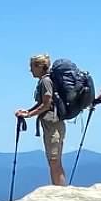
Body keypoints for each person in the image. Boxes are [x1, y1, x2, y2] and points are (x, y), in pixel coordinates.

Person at [16, 53, 68, 187]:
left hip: (53, 124)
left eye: (32, 66)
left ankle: (60, 192)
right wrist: (27, 111)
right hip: (54, 124)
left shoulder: (45, 81)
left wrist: (29, 115)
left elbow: (46, 103)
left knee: (54, 160)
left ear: (39, 66)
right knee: (54, 161)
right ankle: (59, 189)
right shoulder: (47, 80)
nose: (30, 70)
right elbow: (43, 103)